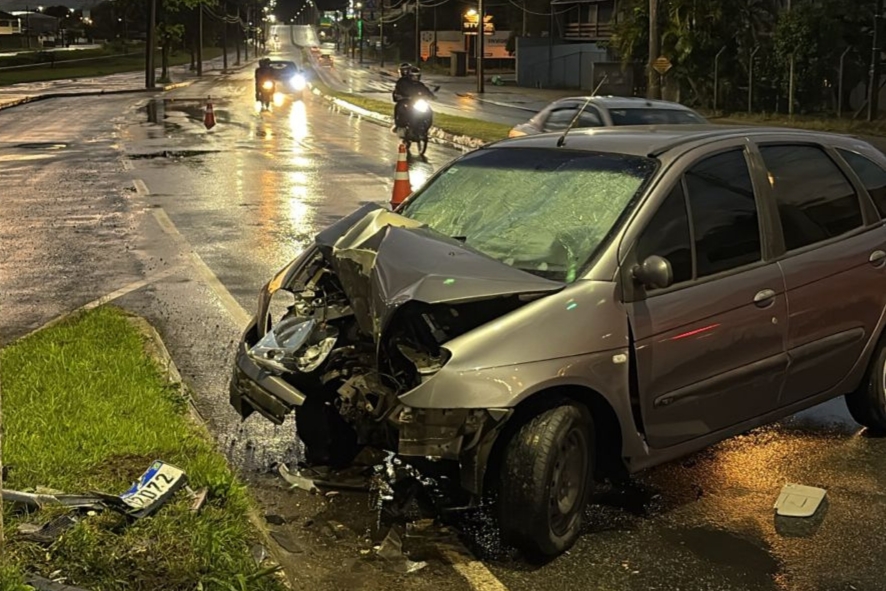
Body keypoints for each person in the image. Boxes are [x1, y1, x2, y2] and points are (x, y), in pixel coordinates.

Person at [392, 66, 436, 133]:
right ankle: (398, 124)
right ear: (409, 76)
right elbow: (398, 90)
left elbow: (425, 90)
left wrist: (431, 95)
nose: (415, 78)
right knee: (400, 107)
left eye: (417, 76)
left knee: (428, 110)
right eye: (413, 76)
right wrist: (401, 96)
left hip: (416, 101)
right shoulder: (403, 82)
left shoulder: (419, 84)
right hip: (406, 100)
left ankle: (426, 127)